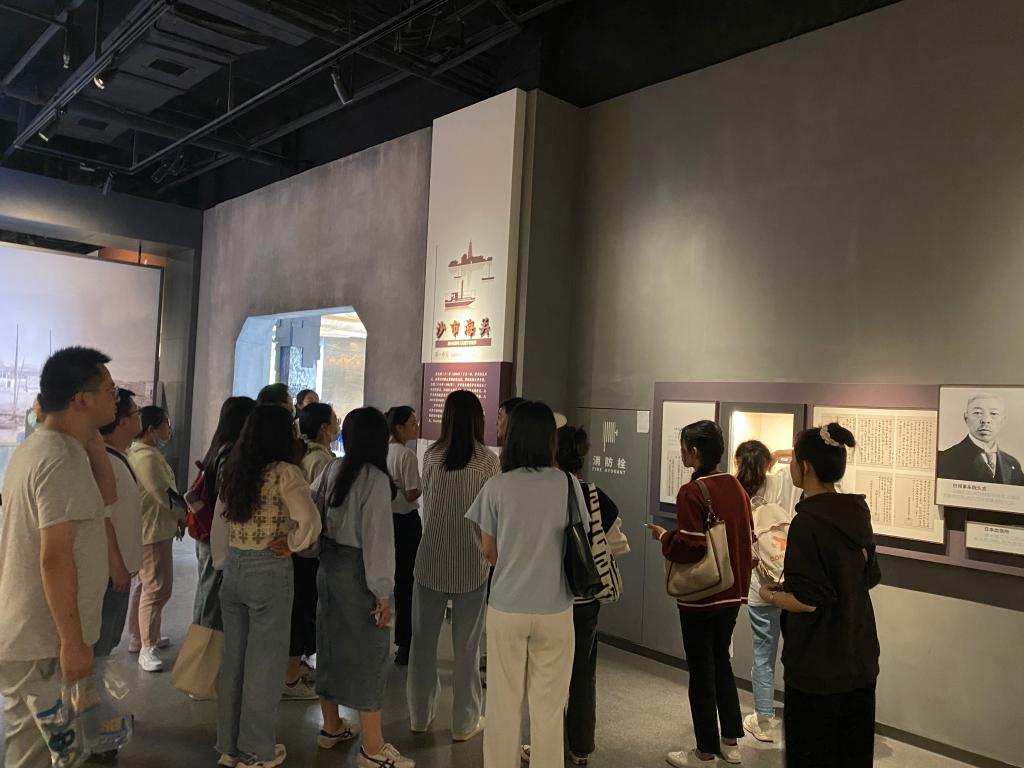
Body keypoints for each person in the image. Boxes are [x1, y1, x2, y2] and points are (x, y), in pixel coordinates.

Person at [0, 347, 117, 768]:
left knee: (41, 749)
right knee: (46, 752)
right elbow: (55, 558)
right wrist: (71, 642)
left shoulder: (41, 448)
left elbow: (106, 498)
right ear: (81, 399)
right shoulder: (59, 458)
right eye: (109, 390)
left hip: (34, 634)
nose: (116, 398)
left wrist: (95, 445)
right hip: (44, 641)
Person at [466, 400, 588, 768]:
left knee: (503, 702)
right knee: (549, 707)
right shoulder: (568, 484)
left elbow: (489, 551)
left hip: (507, 606)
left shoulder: (497, 486)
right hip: (556, 609)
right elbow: (579, 538)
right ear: (551, 439)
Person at [759, 424, 881, 768]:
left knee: (812, 755)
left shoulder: (808, 521)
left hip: (818, 664)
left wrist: (771, 595)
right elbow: (870, 576)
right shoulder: (856, 512)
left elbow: (807, 600)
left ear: (806, 467)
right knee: (852, 755)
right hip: (859, 656)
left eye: (794, 461)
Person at [215, 405, 322, 768]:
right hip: (268, 569)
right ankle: (256, 749)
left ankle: (229, 746)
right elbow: (310, 521)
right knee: (265, 664)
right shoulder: (285, 473)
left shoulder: (235, 468)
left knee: (234, 661)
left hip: (234, 567)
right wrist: (292, 543)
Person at [647, 420, 753, 767]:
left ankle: (704, 750)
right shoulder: (736, 487)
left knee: (701, 669)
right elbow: (747, 537)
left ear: (694, 452)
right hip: (732, 592)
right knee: (721, 661)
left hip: (701, 596)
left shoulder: (691, 492)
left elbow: (692, 547)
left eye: (683, 449)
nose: (681, 455)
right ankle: (731, 741)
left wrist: (665, 537)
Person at [312, 407, 414, 768]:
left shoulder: (333, 468)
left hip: (328, 566)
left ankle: (331, 727)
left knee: (329, 645)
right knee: (371, 653)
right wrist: (383, 593)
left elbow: (311, 507)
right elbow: (377, 540)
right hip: (360, 574)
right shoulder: (374, 479)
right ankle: (373, 746)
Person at [522, 424, 629, 766]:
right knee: (583, 674)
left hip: (550, 599)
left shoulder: (541, 492)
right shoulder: (594, 494)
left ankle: (546, 745)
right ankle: (580, 748)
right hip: (586, 598)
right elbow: (616, 542)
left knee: (546, 676)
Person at [407, 390, 499, 741]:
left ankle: (419, 715)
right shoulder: (487, 461)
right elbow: (491, 516)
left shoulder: (431, 454)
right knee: (467, 648)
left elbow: (427, 504)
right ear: (478, 420)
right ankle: (464, 722)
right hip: (471, 562)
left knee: (422, 643)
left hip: (429, 559)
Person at [734, 441, 795, 744]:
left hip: (759, 586)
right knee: (793, 651)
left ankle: (764, 720)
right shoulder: (780, 482)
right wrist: (779, 455)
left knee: (763, 654)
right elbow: (803, 456)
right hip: (788, 579)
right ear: (767, 464)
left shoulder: (737, 492)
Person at [279, 402, 338, 701]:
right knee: (302, 610)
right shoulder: (320, 461)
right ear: (324, 428)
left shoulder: (306, 456)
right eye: (335, 420)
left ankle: (294, 666)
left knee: (300, 608)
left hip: (301, 546)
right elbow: (317, 511)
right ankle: (290, 677)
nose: (338, 425)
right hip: (308, 547)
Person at [127, 405, 183, 673]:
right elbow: (164, 494)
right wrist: (185, 514)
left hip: (153, 527)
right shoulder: (146, 458)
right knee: (157, 587)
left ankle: (141, 636)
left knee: (147, 584)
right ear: (151, 429)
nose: (169, 429)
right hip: (152, 530)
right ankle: (146, 647)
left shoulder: (145, 453)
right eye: (166, 424)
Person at [193, 396, 256, 631]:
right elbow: (226, 498)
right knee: (211, 595)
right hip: (215, 533)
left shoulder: (217, 447)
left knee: (206, 589)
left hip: (206, 530)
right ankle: (204, 644)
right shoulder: (230, 453)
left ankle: (201, 640)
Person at [94, 389, 144, 658]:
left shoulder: (119, 456)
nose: (140, 418)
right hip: (109, 573)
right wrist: (117, 565)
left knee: (110, 639)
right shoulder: (103, 461)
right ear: (122, 421)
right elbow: (103, 518)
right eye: (136, 413)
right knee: (100, 643)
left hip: (119, 570)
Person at [386, 405, 422, 666]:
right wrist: (422, 485)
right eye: (412, 423)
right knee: (406, 584)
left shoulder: (382, 452)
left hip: (386, 522)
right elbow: (411, 493)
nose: (416, 427)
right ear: (399, 428)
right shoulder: (406, 455)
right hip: (406, 523)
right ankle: (404, 643)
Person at [937, 392, 1024, 484]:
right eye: (978, 413)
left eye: (994, 413)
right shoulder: (945, 459)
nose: (985, 420)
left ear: (1002, 421)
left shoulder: (1012, 463)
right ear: (966, 418)